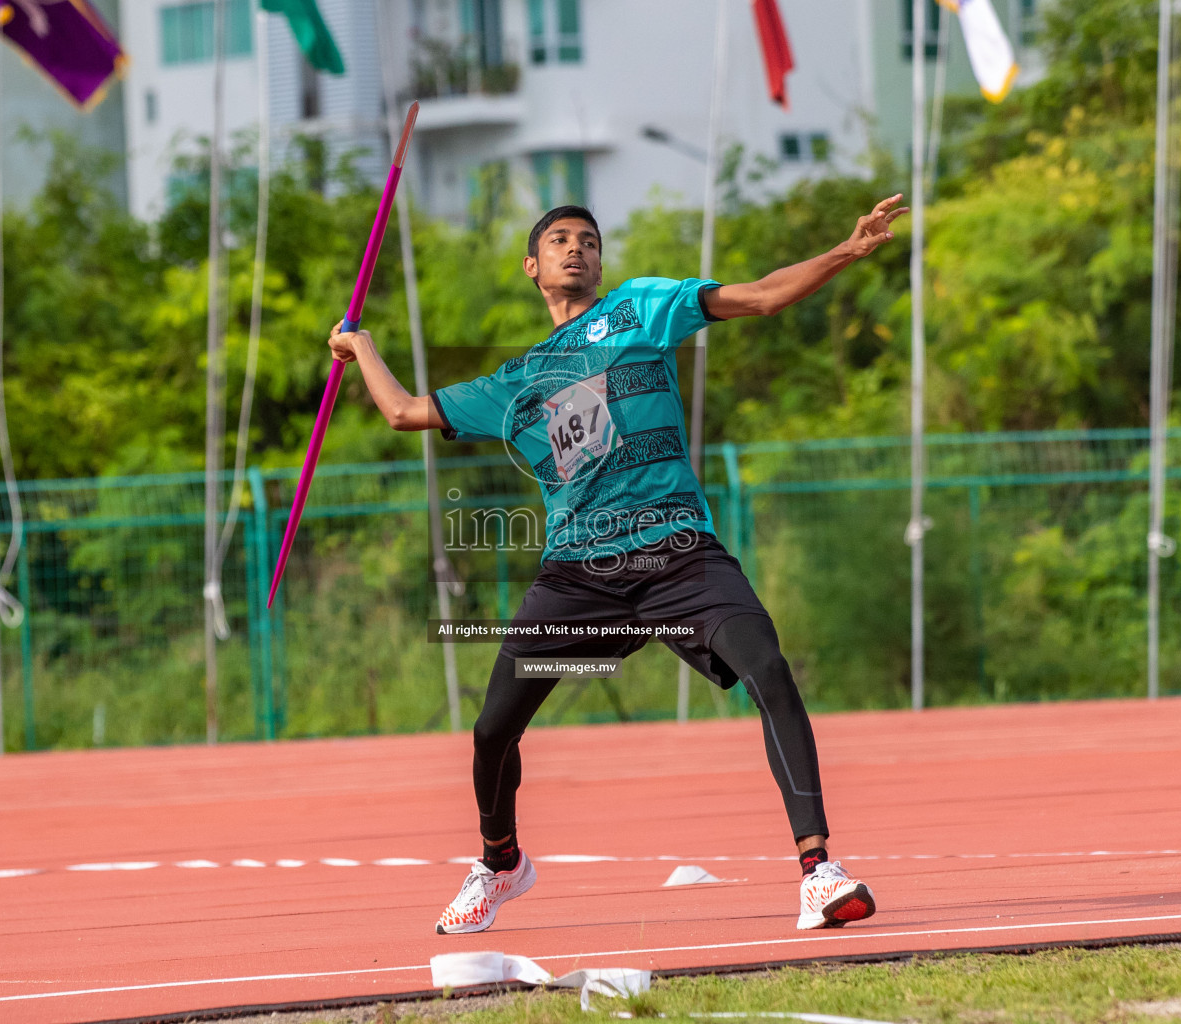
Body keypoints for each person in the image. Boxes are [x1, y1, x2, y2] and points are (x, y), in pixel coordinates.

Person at [326, 194, 907, 934]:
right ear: (533, 267)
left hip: (678, 553)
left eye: (590, 240)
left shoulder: (640, 309)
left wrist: (846, 251)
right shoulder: (517, 382)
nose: (578, 249)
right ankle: (500, 861)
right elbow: (405, 412)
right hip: (578, 575)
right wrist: (361, 347)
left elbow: (759, 297)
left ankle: (819, 872)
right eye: (561, 240)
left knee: (768, 669)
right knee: (491, 731)